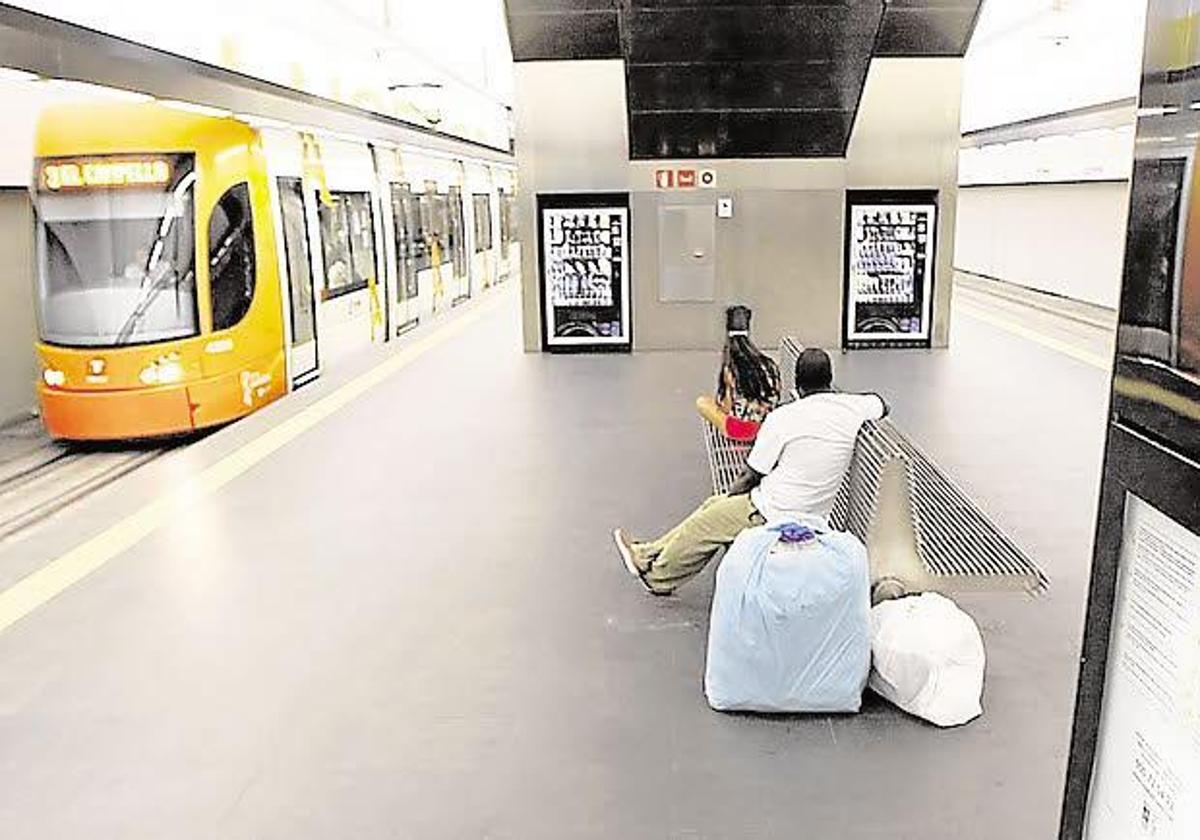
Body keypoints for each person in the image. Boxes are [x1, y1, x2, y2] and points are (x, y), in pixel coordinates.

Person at [613, 348, 888, 595]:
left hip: (774, 513)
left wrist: (732, 499)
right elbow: (883, 404)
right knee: (713, 505)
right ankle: (646, 553)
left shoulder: (784, 418)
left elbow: (751, 474)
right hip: (814, 512)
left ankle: (659, 578)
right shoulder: (854, 406)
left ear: (797, 384)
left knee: (706, 523)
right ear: (830, 379)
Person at [695, 306, 780, 441]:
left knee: (702, 402)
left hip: (740, 431)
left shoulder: (732, 368)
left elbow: (727, 409)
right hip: (765, 428)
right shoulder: (770, 364)